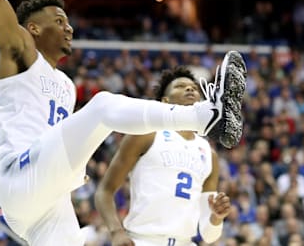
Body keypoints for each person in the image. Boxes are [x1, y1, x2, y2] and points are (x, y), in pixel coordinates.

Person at [0, 0, 246, 246]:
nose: (69, 26)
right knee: (101, 106)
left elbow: (63, 140)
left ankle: (205, 116)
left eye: (68, 19)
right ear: (33, 28)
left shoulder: (66, 85)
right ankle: (204, 115)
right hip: (17, 174)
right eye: (58, 19)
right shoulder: (21, 53)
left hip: (44, 201)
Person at [96, 66, 232, 246]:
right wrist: (116, 232)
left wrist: (216, 217)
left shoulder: (209, 153)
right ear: (165, 102)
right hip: (143, 240)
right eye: (180, 86)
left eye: (194, 87)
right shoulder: (146, 133)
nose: (190, 89)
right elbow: (104, 191)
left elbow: (209, 235)